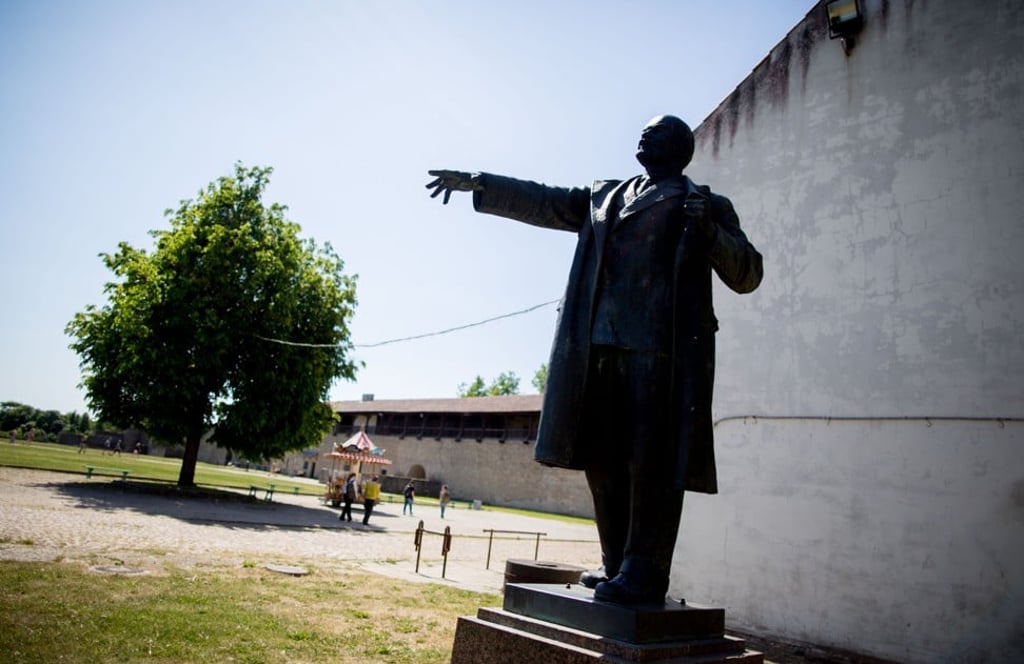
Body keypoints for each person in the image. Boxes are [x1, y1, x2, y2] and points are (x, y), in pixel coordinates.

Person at [426, 114, 763, 605]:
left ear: (678, 147)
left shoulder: (707, 204)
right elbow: (545, 201)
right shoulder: (606, 197)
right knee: (601, 459)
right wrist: (483, 183)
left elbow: (748, 273)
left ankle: (646, 572)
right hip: (598, 346)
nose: (643, 134)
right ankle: (615, 562)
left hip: (661, 353)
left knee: (652, 463)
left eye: (656, 131)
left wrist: (708, 231)